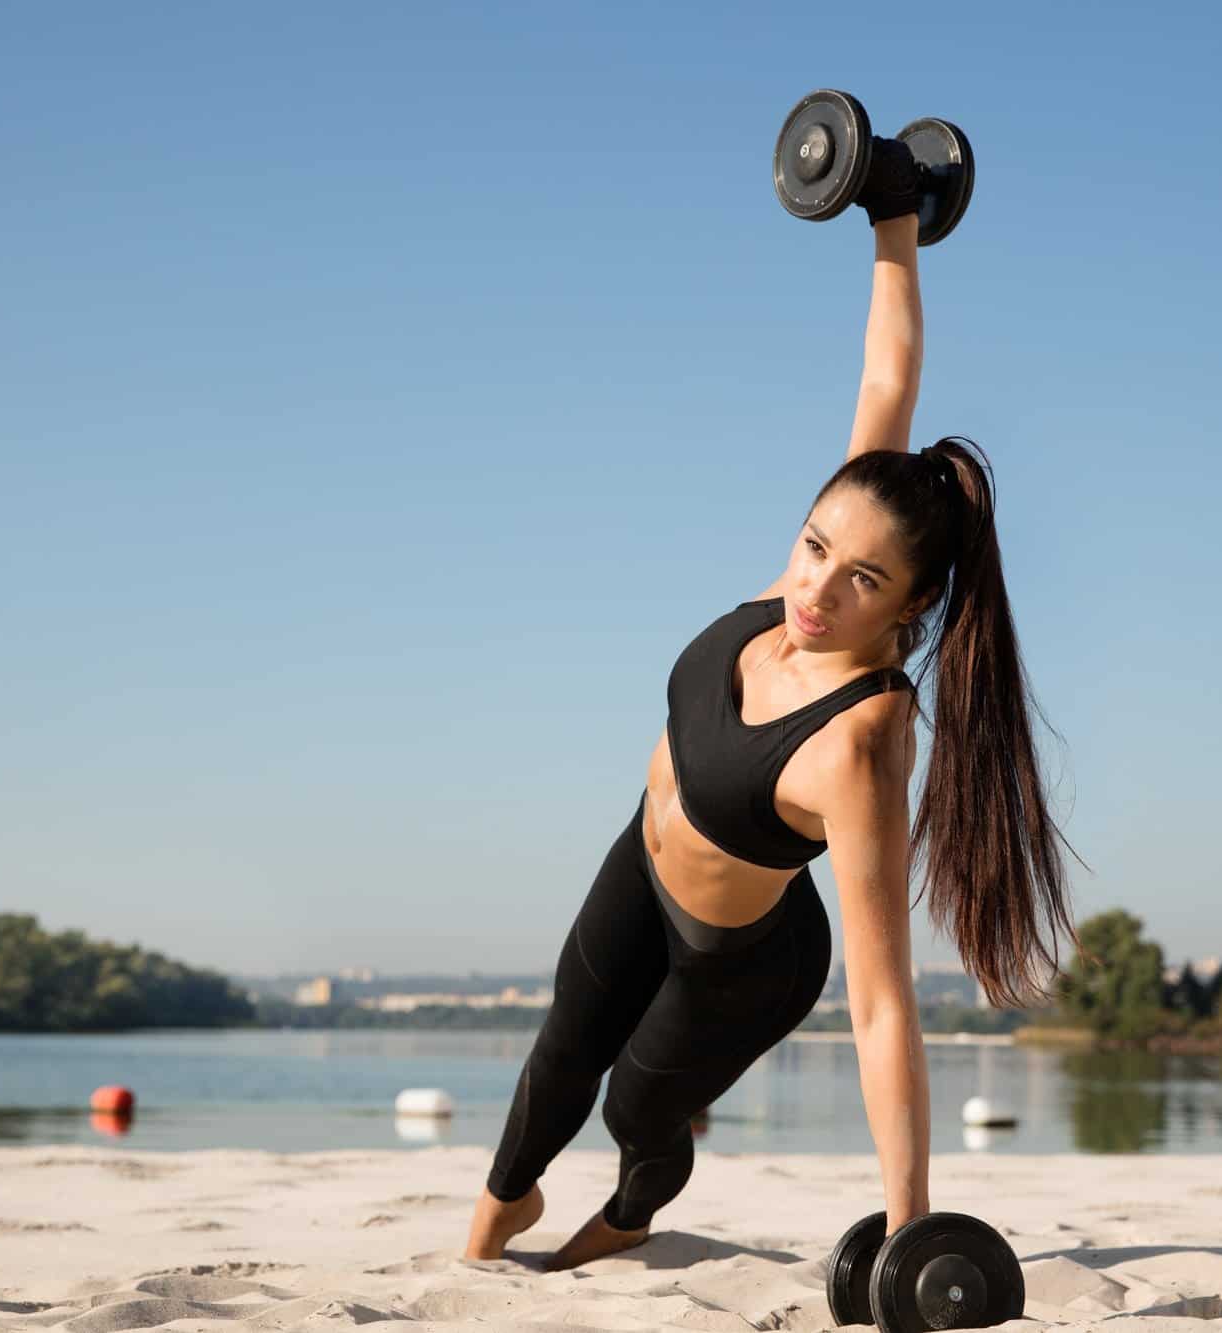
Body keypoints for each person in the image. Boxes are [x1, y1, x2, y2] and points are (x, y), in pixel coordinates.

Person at [463, 137, 1079, 1270]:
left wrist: (908, 1232)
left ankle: (632, 1213)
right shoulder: (797, 582)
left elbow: (883, 1003)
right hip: (637, 865)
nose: (815, 589)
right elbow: (883, 380)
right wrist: (892, 219)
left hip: (738, 955)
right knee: (557, 1058)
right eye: (812, 545)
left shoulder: (858, 738)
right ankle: (485, 1239)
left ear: (913, 602)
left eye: (860, 581)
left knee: (637, 1114)